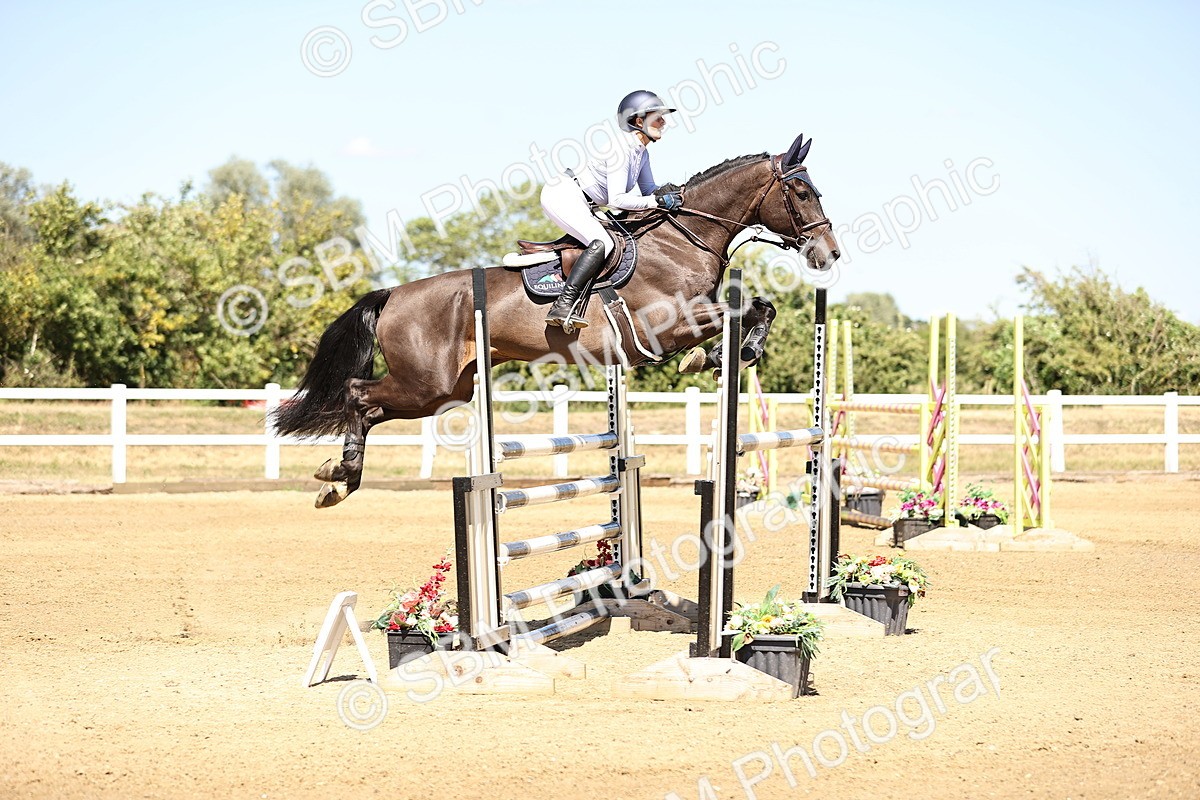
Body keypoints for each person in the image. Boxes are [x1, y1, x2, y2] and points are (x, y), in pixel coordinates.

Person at [540, 90, 684, 330]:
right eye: (658, 117)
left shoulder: (642, 152)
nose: (664, 122)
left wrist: (677, 193)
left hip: (585, 202)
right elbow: (617, 199)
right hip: (563, 195)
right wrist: (657, 202)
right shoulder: (621, 148)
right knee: (603, 243)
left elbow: (649, 189)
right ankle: (563, 305)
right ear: (639, 121)